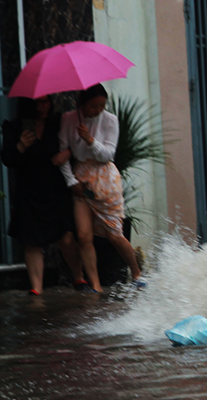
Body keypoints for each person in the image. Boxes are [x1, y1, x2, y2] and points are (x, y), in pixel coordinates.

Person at [53, 84, 144, 292]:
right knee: (84, 236)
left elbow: (108, 155)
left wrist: (90, 140)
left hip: (105, 178)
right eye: (93, 106)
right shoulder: (69, 119)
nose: (98, 110)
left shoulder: (110, 120)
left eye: (102, 106)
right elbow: (64, 153)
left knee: (114, 234)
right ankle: (95, 284)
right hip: (81, 179)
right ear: (81, 104)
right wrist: (71, 182)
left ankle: (136, 271)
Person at [0, 95, 83, 295]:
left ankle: (79, 277)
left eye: (46, 102)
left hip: (55, 186)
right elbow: (7, 158)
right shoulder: (15, 126)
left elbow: (79, 144)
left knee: (65, 238)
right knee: (31, 240)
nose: (43, 106)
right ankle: (36, 287)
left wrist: (68, 153)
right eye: (38, 102)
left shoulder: (59, 122)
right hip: (28, 188)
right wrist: (20, 146)